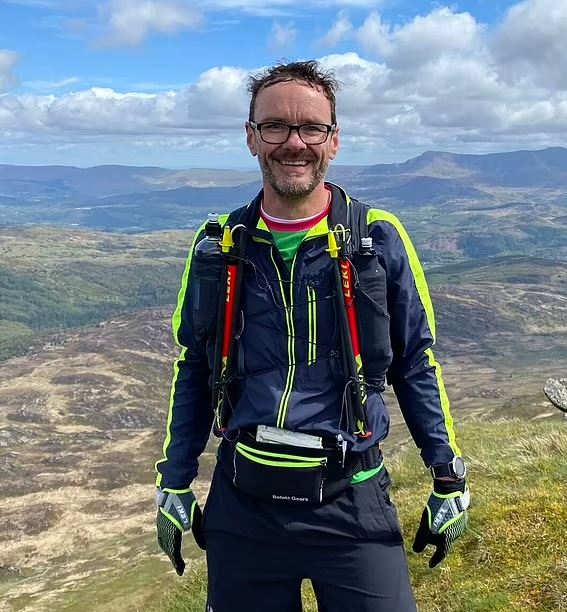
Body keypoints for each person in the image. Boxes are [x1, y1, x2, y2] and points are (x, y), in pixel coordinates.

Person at [154, 60, 470, 612]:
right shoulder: (218, 246)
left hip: (352, 499)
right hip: (242, 503)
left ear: (334, 140)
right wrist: (175, 480)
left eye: (312, 129)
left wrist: (447, 474)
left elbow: (415, 363)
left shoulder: (376, 239)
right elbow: (196, 367)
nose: (293, 143)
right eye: (275, 126)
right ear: (251, 138)